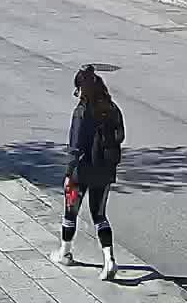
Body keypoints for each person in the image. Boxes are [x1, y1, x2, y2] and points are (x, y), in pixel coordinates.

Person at [53, 65, 125, 281]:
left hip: (80, 172)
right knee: (100, 215)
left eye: (78, 89)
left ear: (83, 90)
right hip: (104, 170)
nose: (76, 93)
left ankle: (65, 253)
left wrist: (68, 173)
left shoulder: (81, 112)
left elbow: (75, 146)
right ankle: (109, 260)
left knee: (70, 211)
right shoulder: (112, 109)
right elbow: (120, 136)